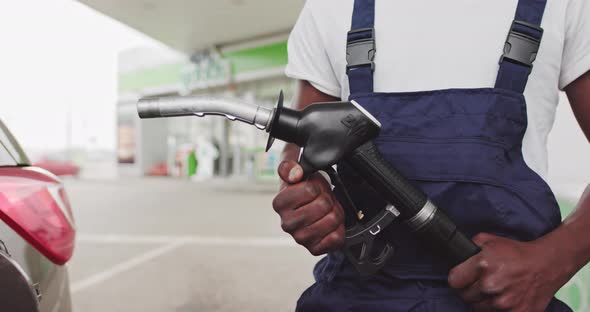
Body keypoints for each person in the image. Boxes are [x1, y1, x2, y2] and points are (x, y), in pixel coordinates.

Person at [272, 0, 590, 311]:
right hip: (358, 293)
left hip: (507, 298)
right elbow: (302, 145)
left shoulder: (566, 6)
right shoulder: (331, 7)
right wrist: (305, 195)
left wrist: (552, 261)